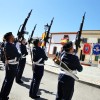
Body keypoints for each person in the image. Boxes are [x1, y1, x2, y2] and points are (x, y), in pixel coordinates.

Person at [0, 32, 20, 100]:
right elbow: (18, 55)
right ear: (10, 37)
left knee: (7, 80)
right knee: (9, 81)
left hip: (10, 64)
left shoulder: (8, 44)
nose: (14, 37)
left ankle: (2, 94)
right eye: (13, 36)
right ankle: (4, 96)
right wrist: (19, 53)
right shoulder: (9, 45)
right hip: (11, 65)